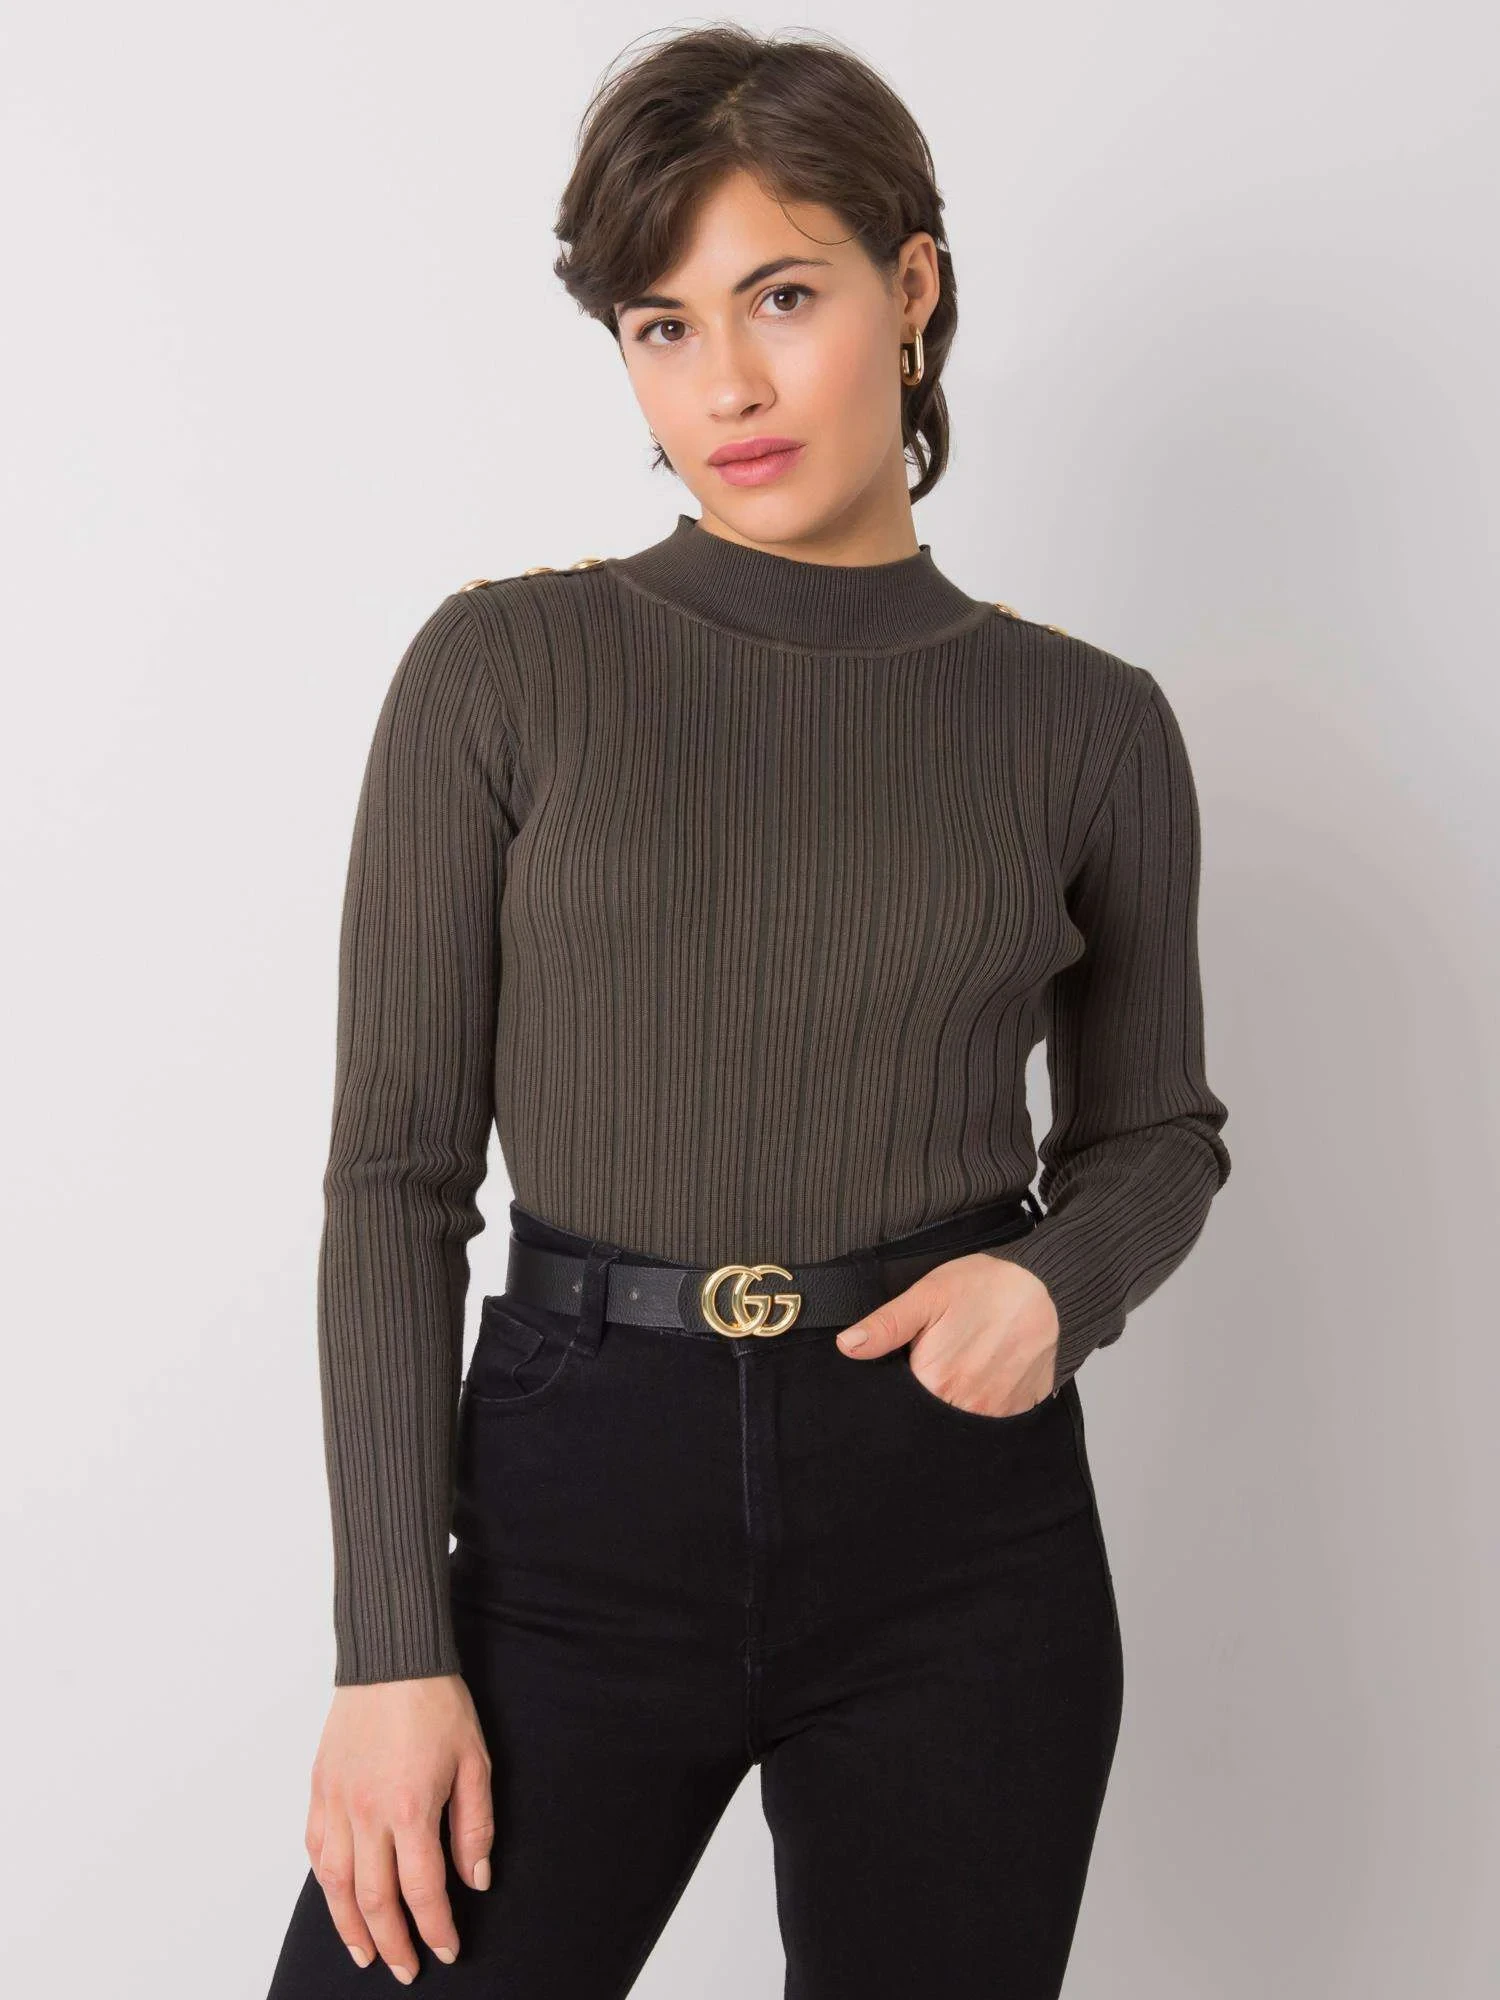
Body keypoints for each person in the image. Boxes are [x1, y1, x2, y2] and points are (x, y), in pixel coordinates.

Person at [265, 24, 1231, 1998]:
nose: (727, 384)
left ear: (913, 284)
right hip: (569, 1517)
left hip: (957, 1536)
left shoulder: (1089, 724)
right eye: (662, 325)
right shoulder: (505, 671)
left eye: (783, 296)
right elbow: (395, 1182)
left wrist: (1054, 1285)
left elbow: (1157, 1134)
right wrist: (389, 1650)